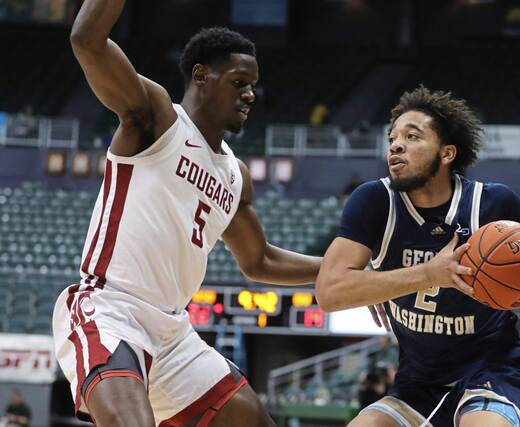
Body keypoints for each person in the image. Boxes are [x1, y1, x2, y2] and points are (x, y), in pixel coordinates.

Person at [52, 2, 322, 426]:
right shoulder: (158, 119)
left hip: (174, 334)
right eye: (239, 82)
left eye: (253, 85)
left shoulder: (236, 176)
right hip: (112, 308)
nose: (250, 94)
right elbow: (87, 40)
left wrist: (343, 268)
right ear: (201, 75)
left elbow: (260, 260)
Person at [316, 86, 520, 427]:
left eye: (412, 136)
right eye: (393, 137)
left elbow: (518, 286)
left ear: (446, 154)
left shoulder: (494, 204)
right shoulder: (374, 201)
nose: (396, 145)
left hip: (496, 373)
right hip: (419, 385)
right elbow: (329, 292)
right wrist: (427, 274)